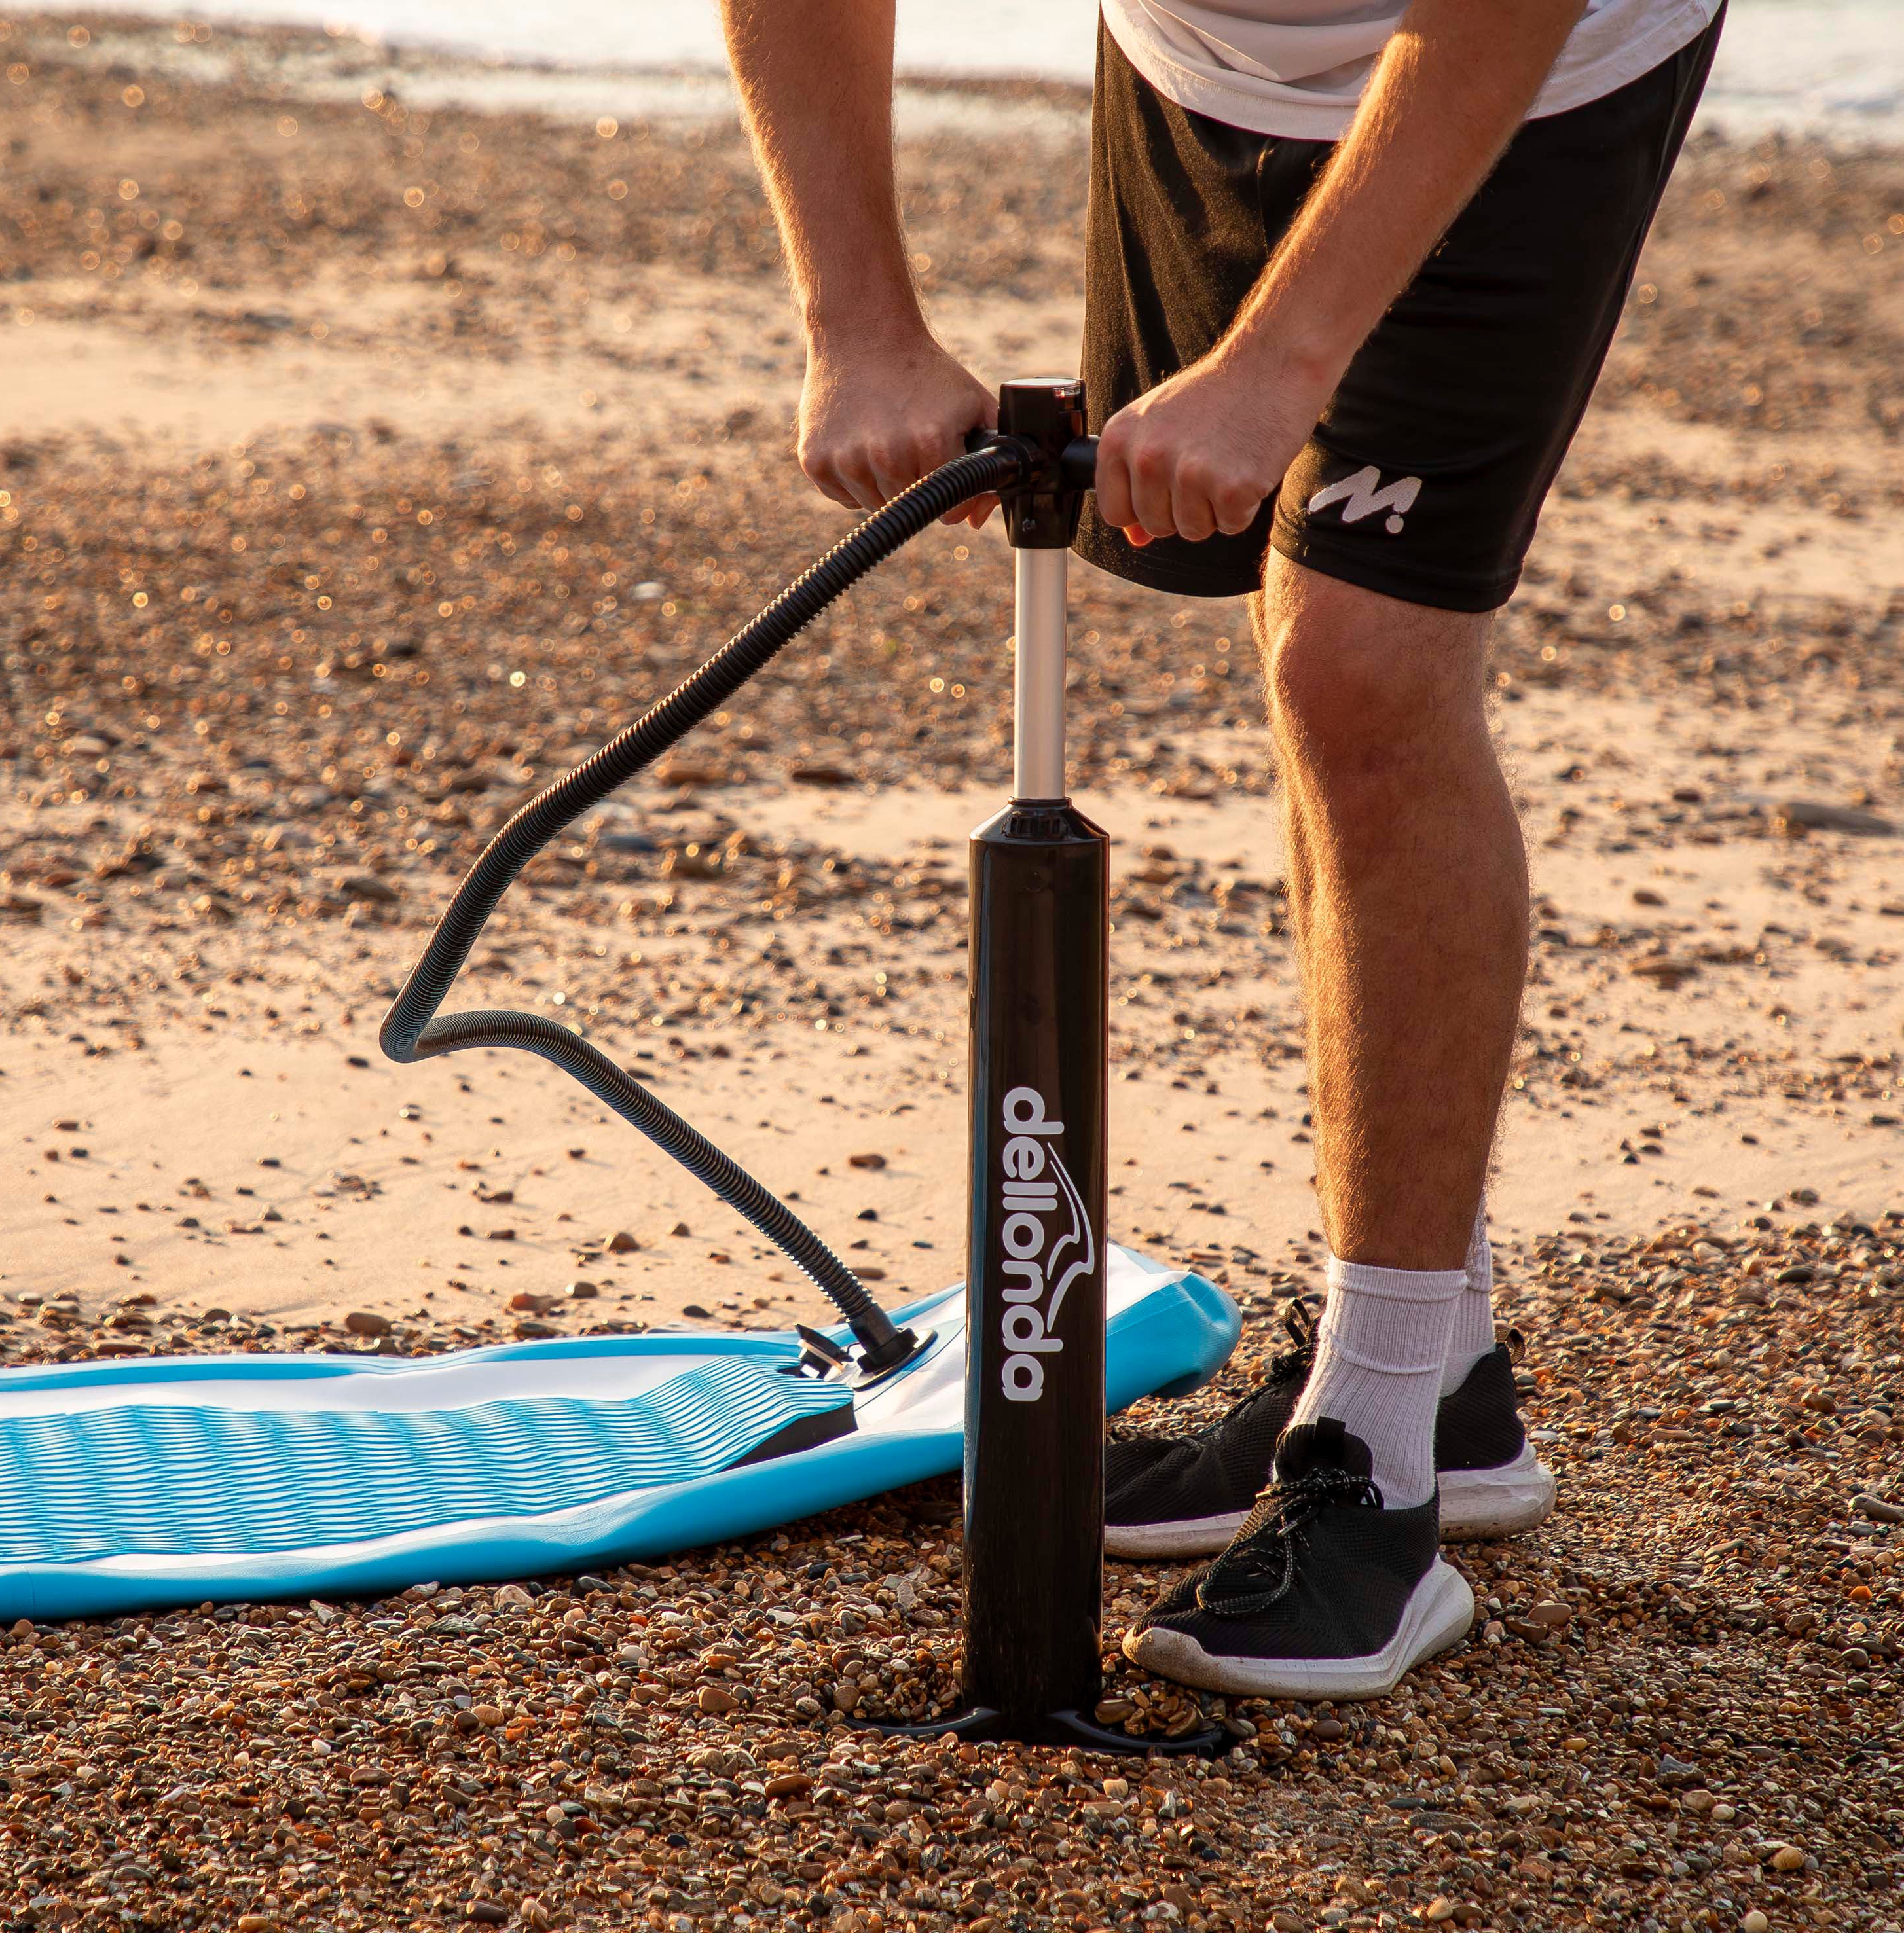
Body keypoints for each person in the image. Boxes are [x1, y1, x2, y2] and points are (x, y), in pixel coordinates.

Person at [719, 0, 1723, 1699]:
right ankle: (1438, 1361)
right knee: (1303, 643)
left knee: (1361, 660)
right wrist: (858, 315)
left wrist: (1283, 358)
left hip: (1526, 57)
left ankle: (1380, 1448)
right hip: (1202, 69)